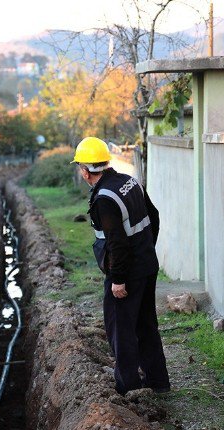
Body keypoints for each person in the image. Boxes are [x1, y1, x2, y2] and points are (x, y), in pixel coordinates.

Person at [72, 136, 170, 395]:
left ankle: (128, 387)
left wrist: (118, 279)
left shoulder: (104, 198)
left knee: (121, 329)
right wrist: (146, 250)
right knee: (147, 324)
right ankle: (158, 382)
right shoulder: (129, 181)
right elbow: (154, 217)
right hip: (147, 265)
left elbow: (117, 243)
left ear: (85, 170)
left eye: (80, 167)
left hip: (126, 273)